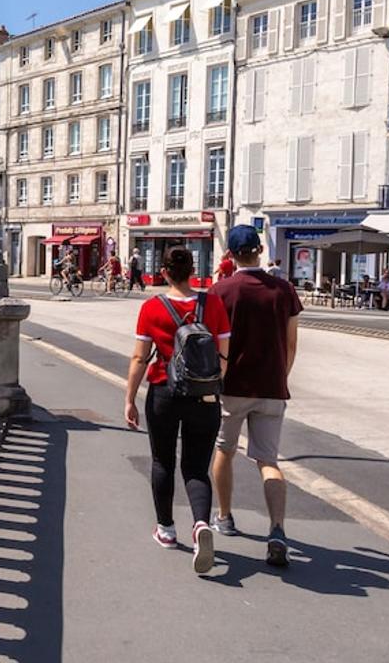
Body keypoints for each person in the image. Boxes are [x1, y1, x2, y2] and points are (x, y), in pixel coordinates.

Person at [123, 246, 231, 574]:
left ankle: (166, 530)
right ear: (193, 271)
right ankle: (200, 526)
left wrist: (129, 398)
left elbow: (140, 358)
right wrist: (210, 386)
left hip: (164, 392)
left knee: (163, 461)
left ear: (164, 272)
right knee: (197, 467)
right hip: (204, 397)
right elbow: (224, 355)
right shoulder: (212, 303)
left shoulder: (152, 308)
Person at [208, 225, 301, 568]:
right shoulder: (284, 290)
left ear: (230, 256)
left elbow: (215, 342)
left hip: (232, 387)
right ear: (260, 250)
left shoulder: (221, 290)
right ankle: (277, 529)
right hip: (272, 386)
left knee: (224, 451)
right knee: (268, 461)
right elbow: (291, 343)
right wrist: (281, 376)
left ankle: (225, 516)